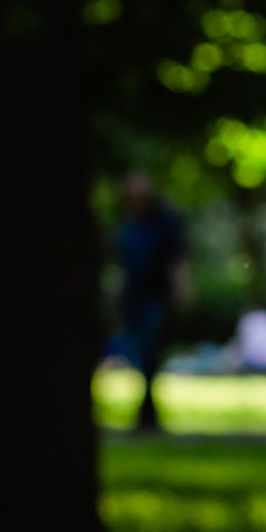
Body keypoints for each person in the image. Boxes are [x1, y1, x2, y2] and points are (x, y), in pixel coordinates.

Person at [113, 174, 188, 432]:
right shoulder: (128, 225)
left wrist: (179, 292)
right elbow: (122, 263)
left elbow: (175, 261)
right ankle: (147, 411)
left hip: (155, 295)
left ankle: (147, 412)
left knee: (150, 350)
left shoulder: (164, 224)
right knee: (139, 351)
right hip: (134, 295)